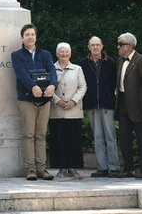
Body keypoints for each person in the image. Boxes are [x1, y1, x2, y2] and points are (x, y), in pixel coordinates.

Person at [11, 23, 58, 181]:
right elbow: (21, 74)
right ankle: (31, 169)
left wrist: (53, 85)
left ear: (36, 37)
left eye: (33, 34)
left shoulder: (45, 54)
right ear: (22, 38)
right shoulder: (17, 55)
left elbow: (52, 70)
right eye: (27, 35)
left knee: (41, 135)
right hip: (26, 99)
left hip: (44, 100)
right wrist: (33, 86)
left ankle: (42, 169)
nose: (30, 37)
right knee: (29, 135)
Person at [78, 36, 120, 178]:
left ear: (102, 46)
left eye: (97, 45)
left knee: (110, 136)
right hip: (91, 104)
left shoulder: (110, 62)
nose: (95, 47)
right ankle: (102, 167)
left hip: (107, 103)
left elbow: (115, 82)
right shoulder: (83, 63)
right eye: (92, 45)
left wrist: (109, 96)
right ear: (89, 47)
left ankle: (114, 167)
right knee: (97, 137)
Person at [114, 32, 142, 179]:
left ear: (129, 46)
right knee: (124, 138)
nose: (118, 47)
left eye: (121, 45)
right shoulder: (119, 61)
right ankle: (128, 168)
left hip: (138, 106)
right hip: (123, 103)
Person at [49, 43, 87, 178]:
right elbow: (48, 87)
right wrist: (57, 101)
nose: (64, 54)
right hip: (57, 110)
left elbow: (82, 87)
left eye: (66, 52)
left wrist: (73, 101)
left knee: (74, 140)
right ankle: (62, 167)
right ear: (57, 54)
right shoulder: (51, 68)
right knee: (59, 139)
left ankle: (73, 167)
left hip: (74, 110)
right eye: (61, 52)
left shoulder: (78, 69)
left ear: (70, 54)